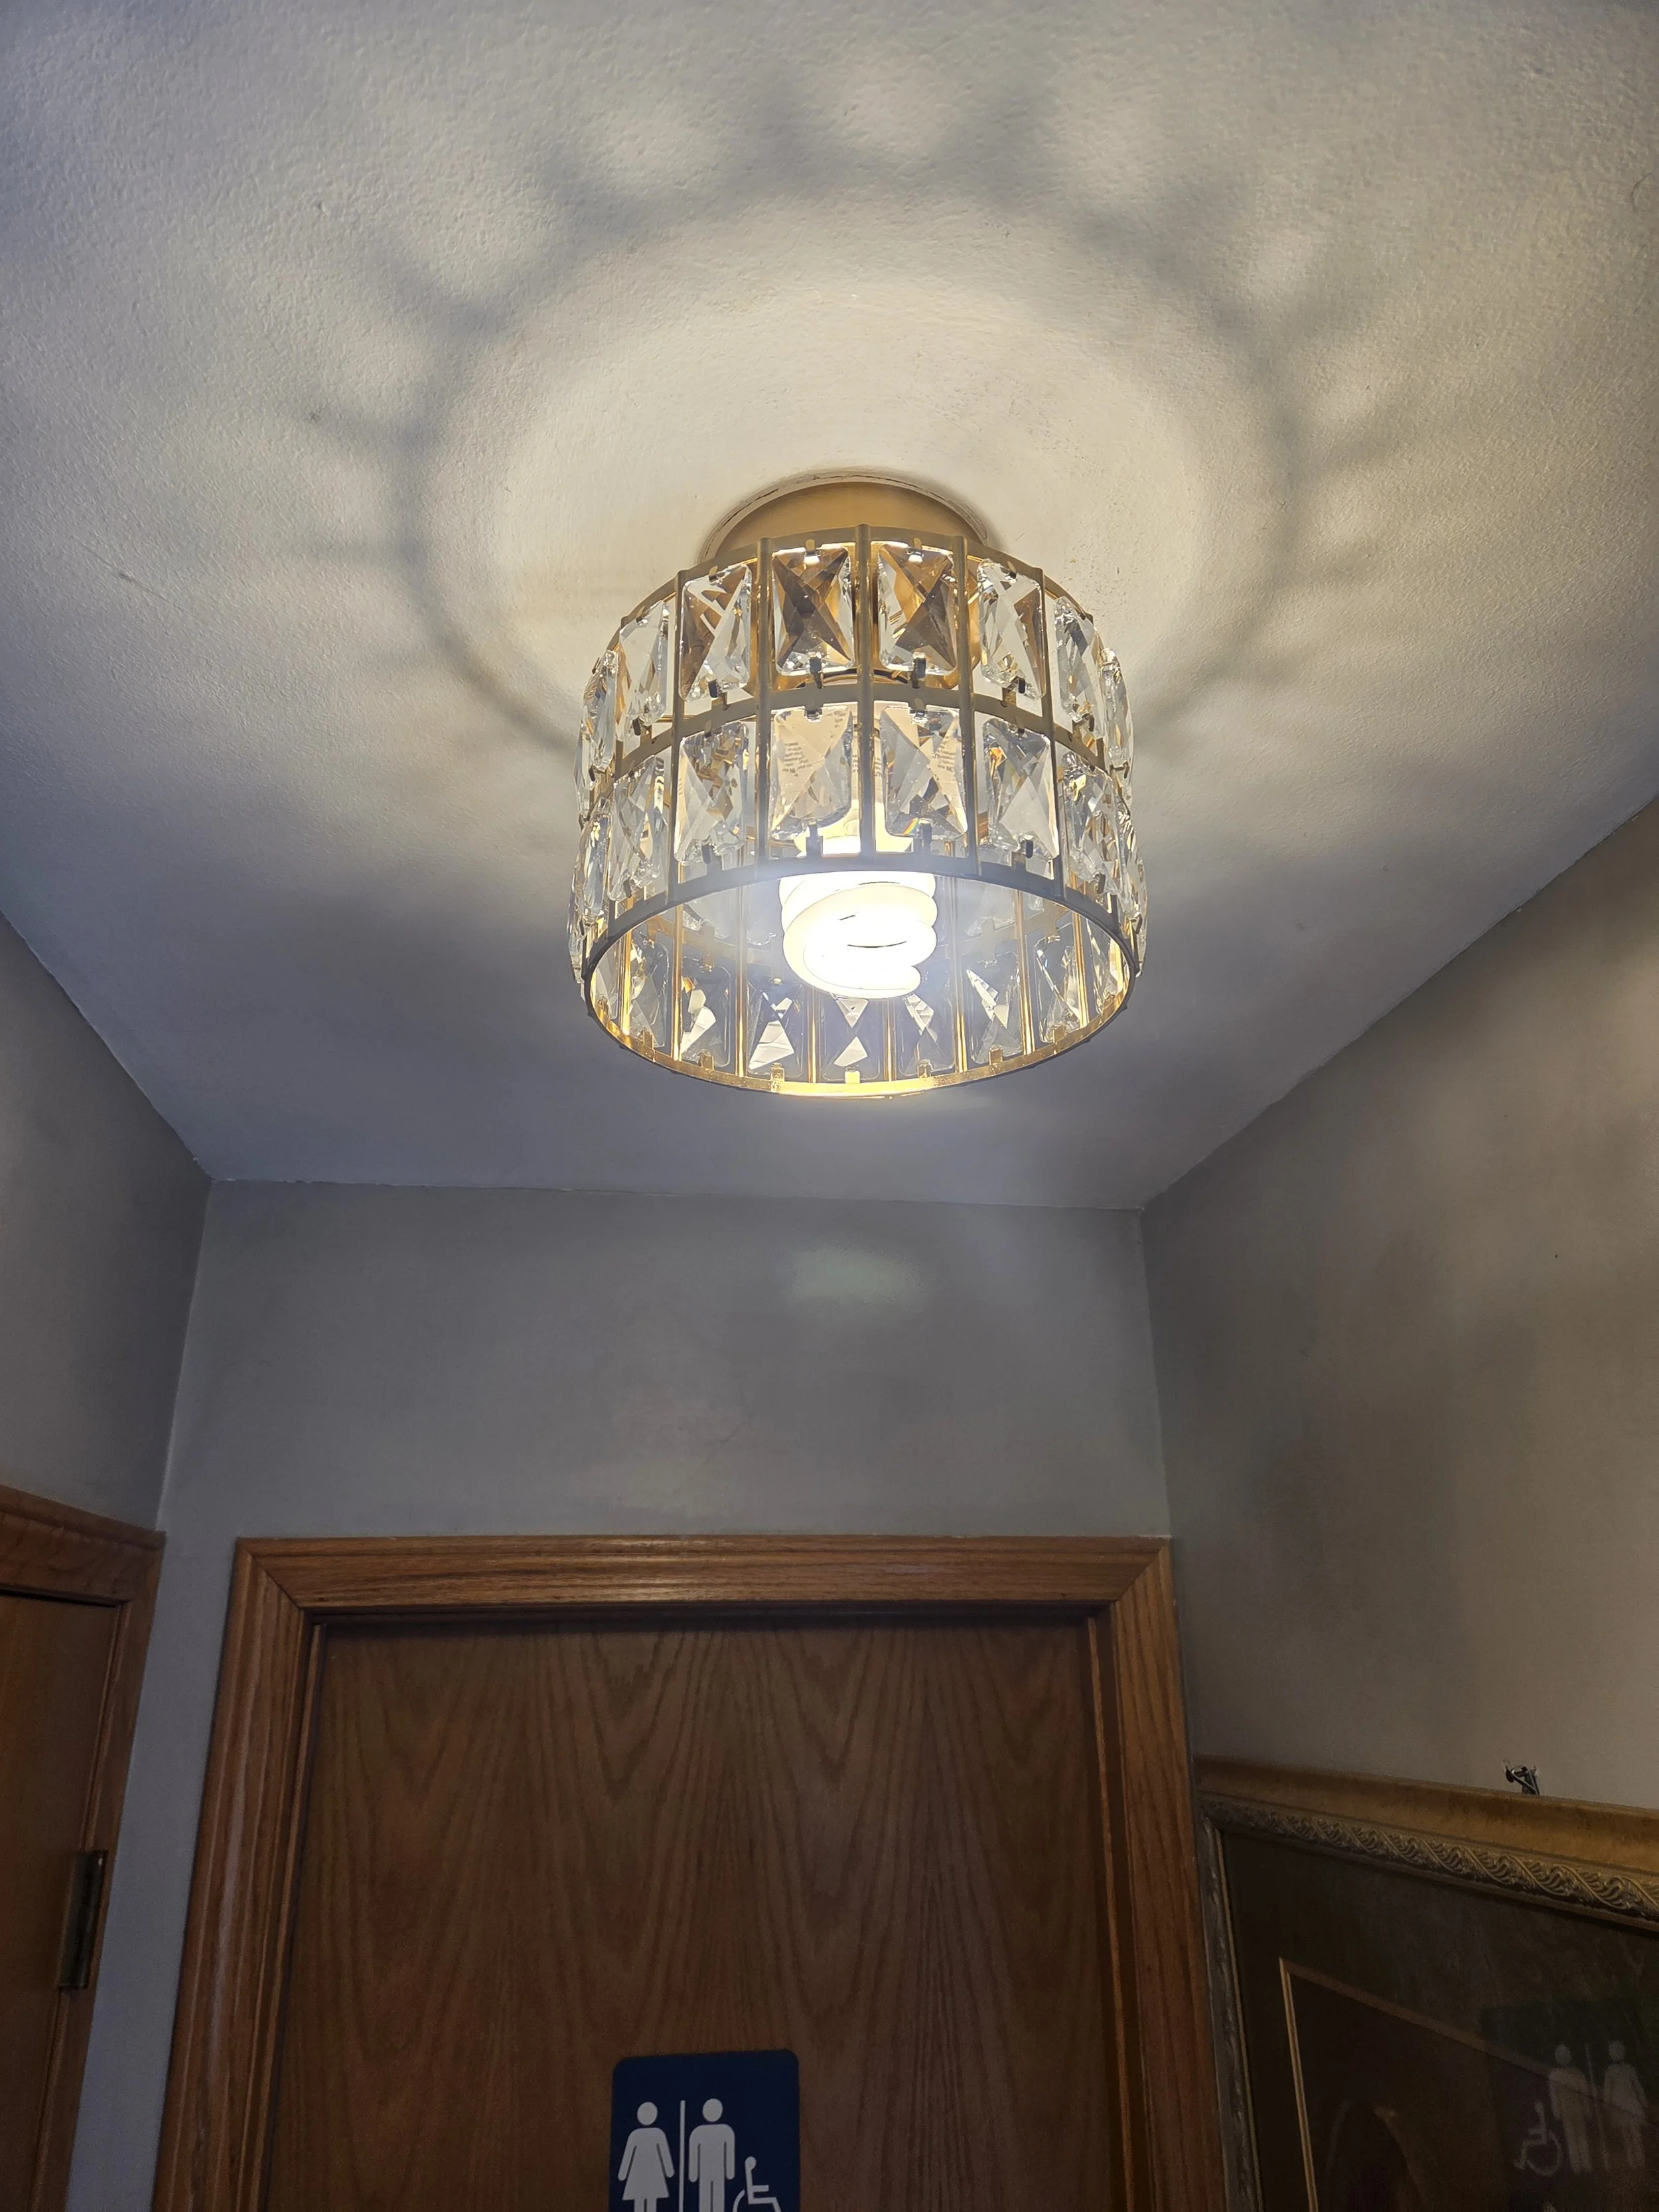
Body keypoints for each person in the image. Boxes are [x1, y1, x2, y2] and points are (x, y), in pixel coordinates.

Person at [1547, 2047, 1596, 2174]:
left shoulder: (1558, 2075)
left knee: (1575, 2138)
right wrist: (1586, 2109)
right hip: (1572, 2109)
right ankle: (1582, 2165)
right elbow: (1555, 2097)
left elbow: (1582, 2094)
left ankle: (1581, 2166)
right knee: (1577, 2138)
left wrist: (1557, 2112)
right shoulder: (1574, 2074)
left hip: (1571, 2110)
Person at [618, 2101, 674, 2209]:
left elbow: (664, 2154)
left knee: (646, 2201)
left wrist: (623, 2174)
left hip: (645, 2176)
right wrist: (669, 2171)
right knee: (645, 2201)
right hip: (644, 2175)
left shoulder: (638, 2135)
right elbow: (628, 2156)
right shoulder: (655, 2134)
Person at [1602, 2041, 1649, 2166]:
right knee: (1629, 2134)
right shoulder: (1612, 2071)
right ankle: (1635, 2161)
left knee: (1632, 2134)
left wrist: (1607, 2105)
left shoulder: (1624, 2070)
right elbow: (1608, 2091)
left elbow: (1637, 2086)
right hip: (1625, 2106)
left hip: (1626, 2105)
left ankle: (1637, 2160)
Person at [687, 2096, 737, 2212]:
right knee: (709, 2197)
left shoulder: (699, 2133)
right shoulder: (724, 2131)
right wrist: (730, 2173)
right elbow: (694, 2155)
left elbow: (729, 2154)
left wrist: (693, 2175)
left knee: (716, 2198)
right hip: (710, 2172)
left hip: (715, 2172)